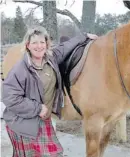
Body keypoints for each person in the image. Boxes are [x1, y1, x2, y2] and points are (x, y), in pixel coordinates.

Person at [2, 25, 98, 157]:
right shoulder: (20, 69)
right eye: (34, 42)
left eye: (42, 42)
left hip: (42, 119)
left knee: (54, 153)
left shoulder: (51, 59)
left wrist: (85, 36)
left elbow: (65, 48)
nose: (39, 46)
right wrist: (37, 108)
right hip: (22, 123)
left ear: (47, 44)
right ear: (28, 45)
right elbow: (9, 97)